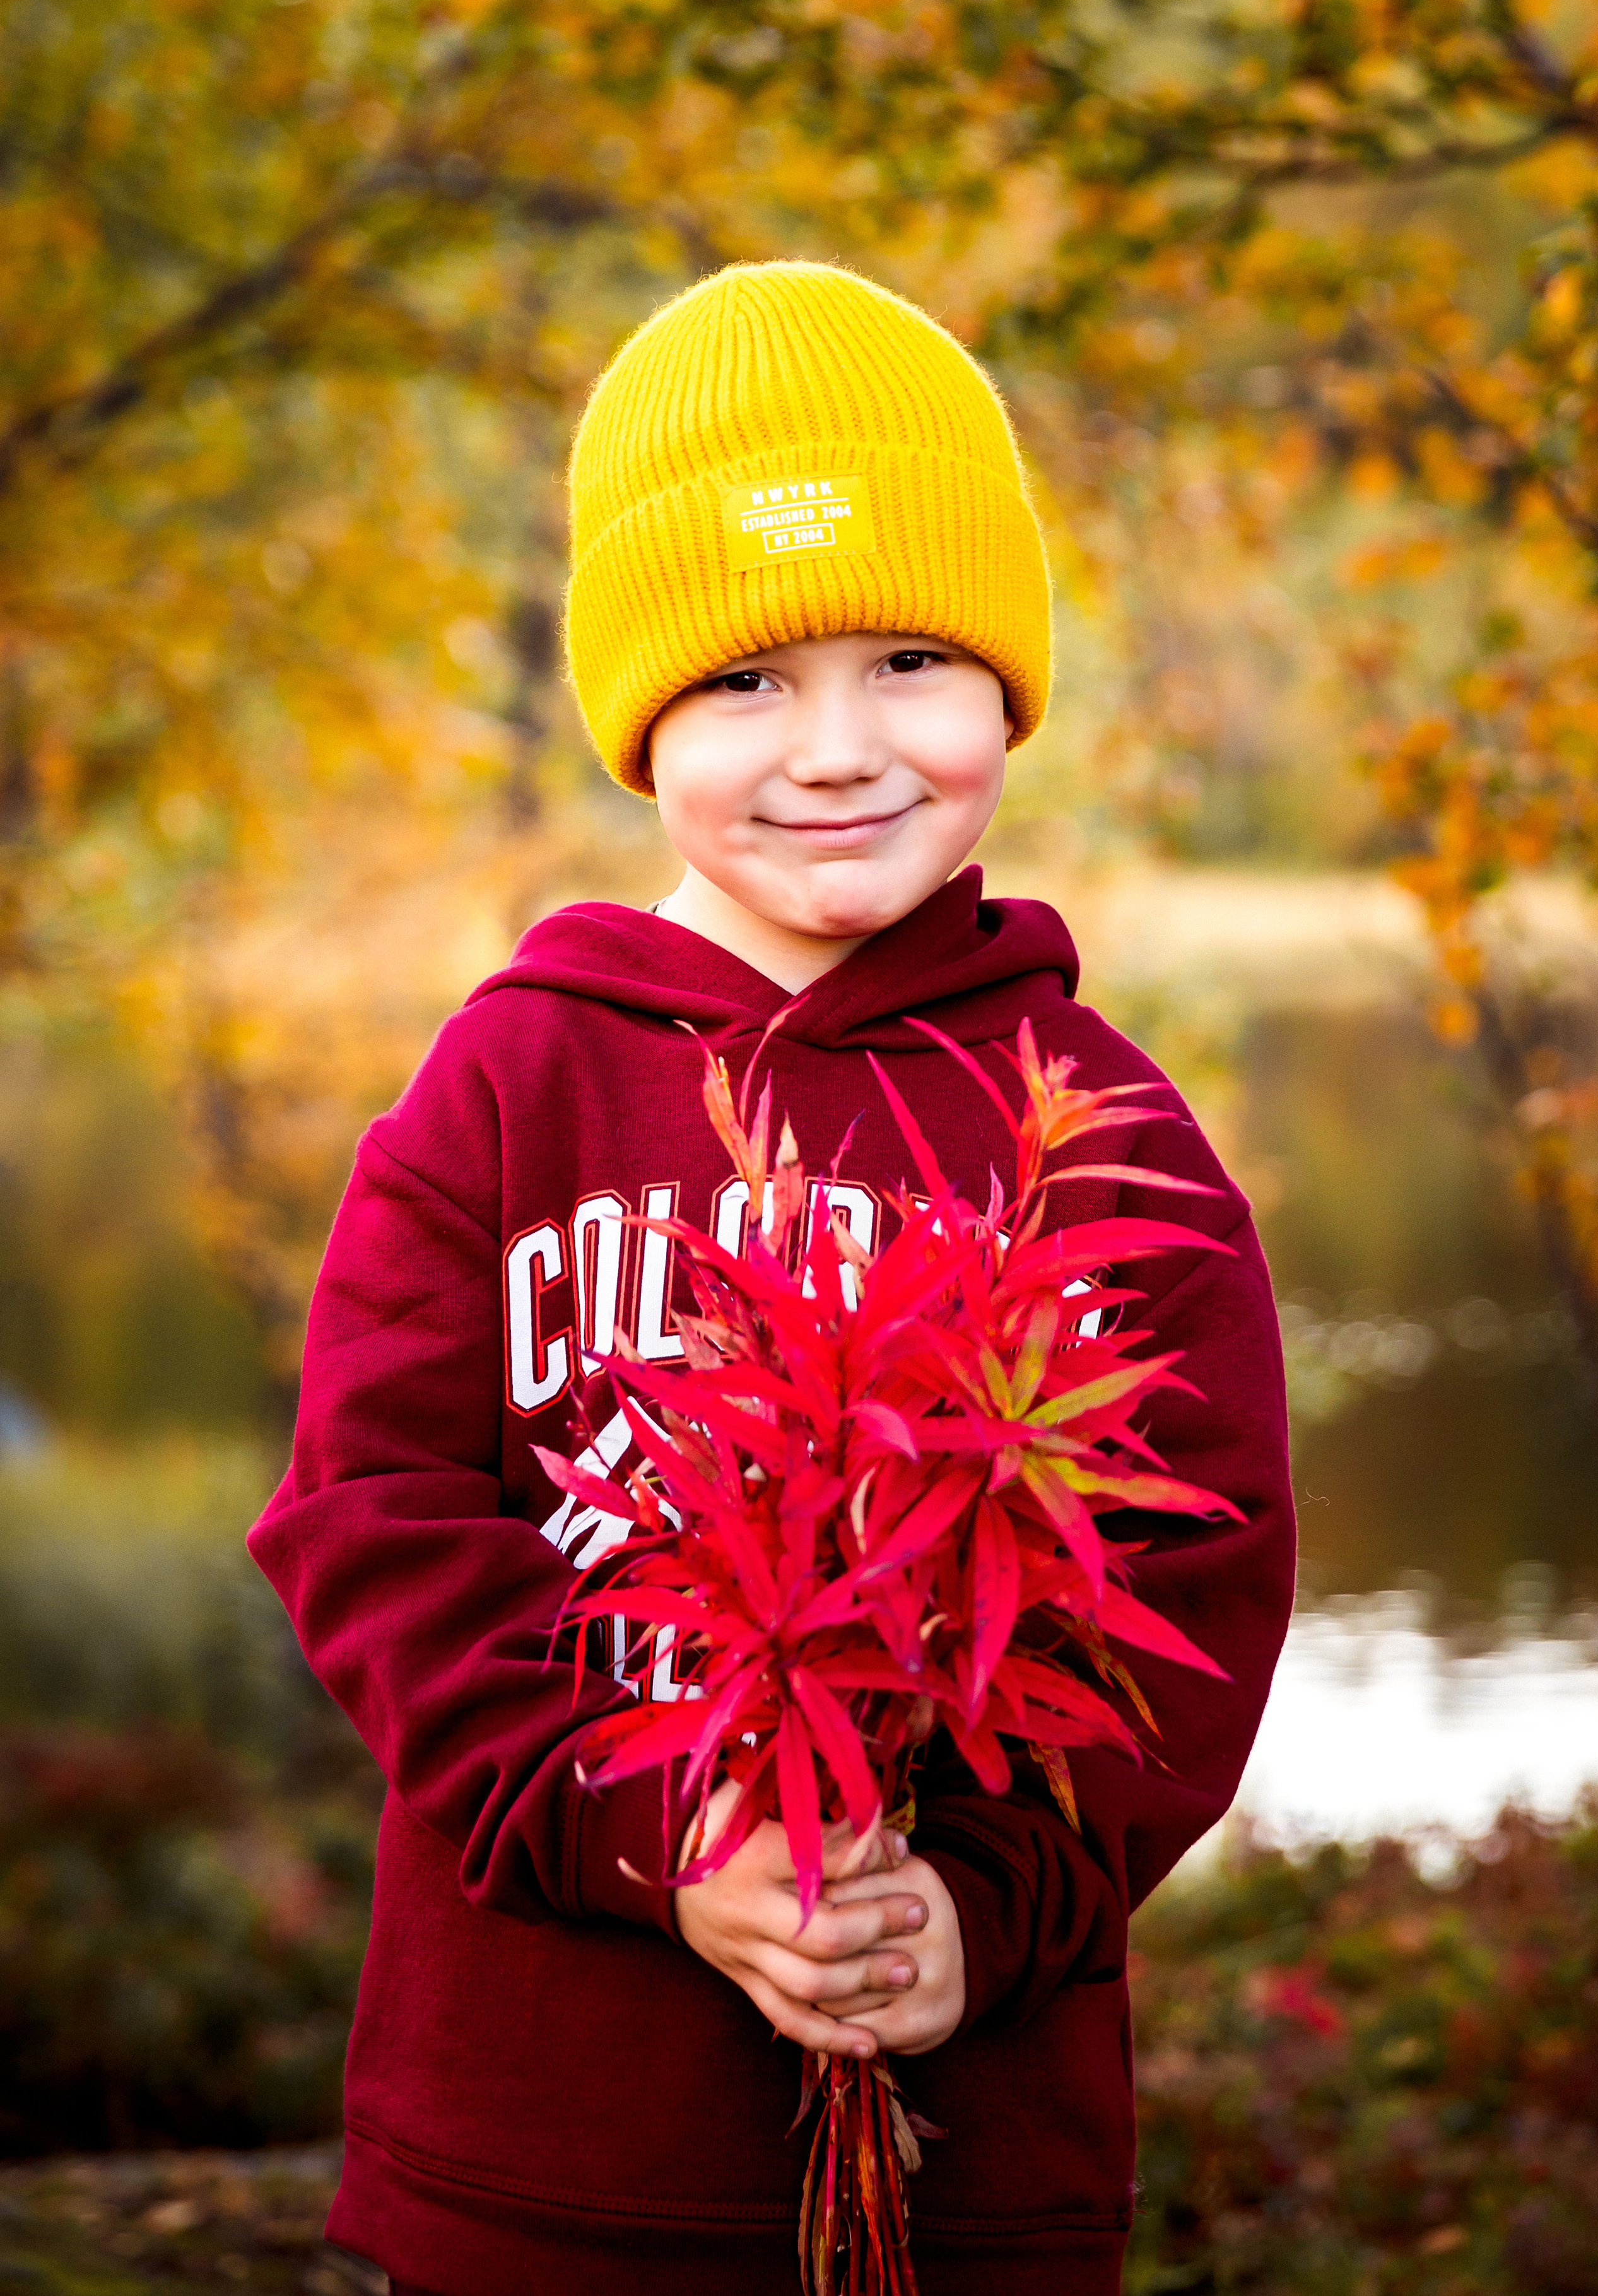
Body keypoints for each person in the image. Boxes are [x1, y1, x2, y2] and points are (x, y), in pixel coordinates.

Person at [249, 261, 1295, 2296]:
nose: (836, 750)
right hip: (543, 2154)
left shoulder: (1106, 1135)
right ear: (643, 716)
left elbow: (1203, 1584)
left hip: (961, 2180)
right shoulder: (510, 1082)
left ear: (1010, 687)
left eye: (911, 659)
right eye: (745, 679)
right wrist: (652, 1843)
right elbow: (367, 1517)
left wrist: (983, 1912)